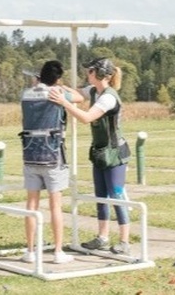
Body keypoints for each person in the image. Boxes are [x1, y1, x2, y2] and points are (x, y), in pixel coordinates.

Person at [49, 57, 132, 255]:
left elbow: (86, 118)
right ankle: (102, 238)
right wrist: (59, 88)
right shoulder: (95, 91)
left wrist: (63, 102)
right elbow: (77, 95)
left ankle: (124, 241)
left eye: (91, 71)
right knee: (101, 196)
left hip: (115, 154)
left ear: (100, 74)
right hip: (101, 152)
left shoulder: (108, 97)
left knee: (117, 195)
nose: (88, 73)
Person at [19, 60, 73, 264]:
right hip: (52, 155)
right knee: (55, 206)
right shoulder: (58, 94)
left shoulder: (26, 94)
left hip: (30, 153)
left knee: (31, 204)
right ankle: (58, 252)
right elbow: (78, 97)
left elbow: (35, 94)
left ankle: (30, 251)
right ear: (57, 78)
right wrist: (62, 88)